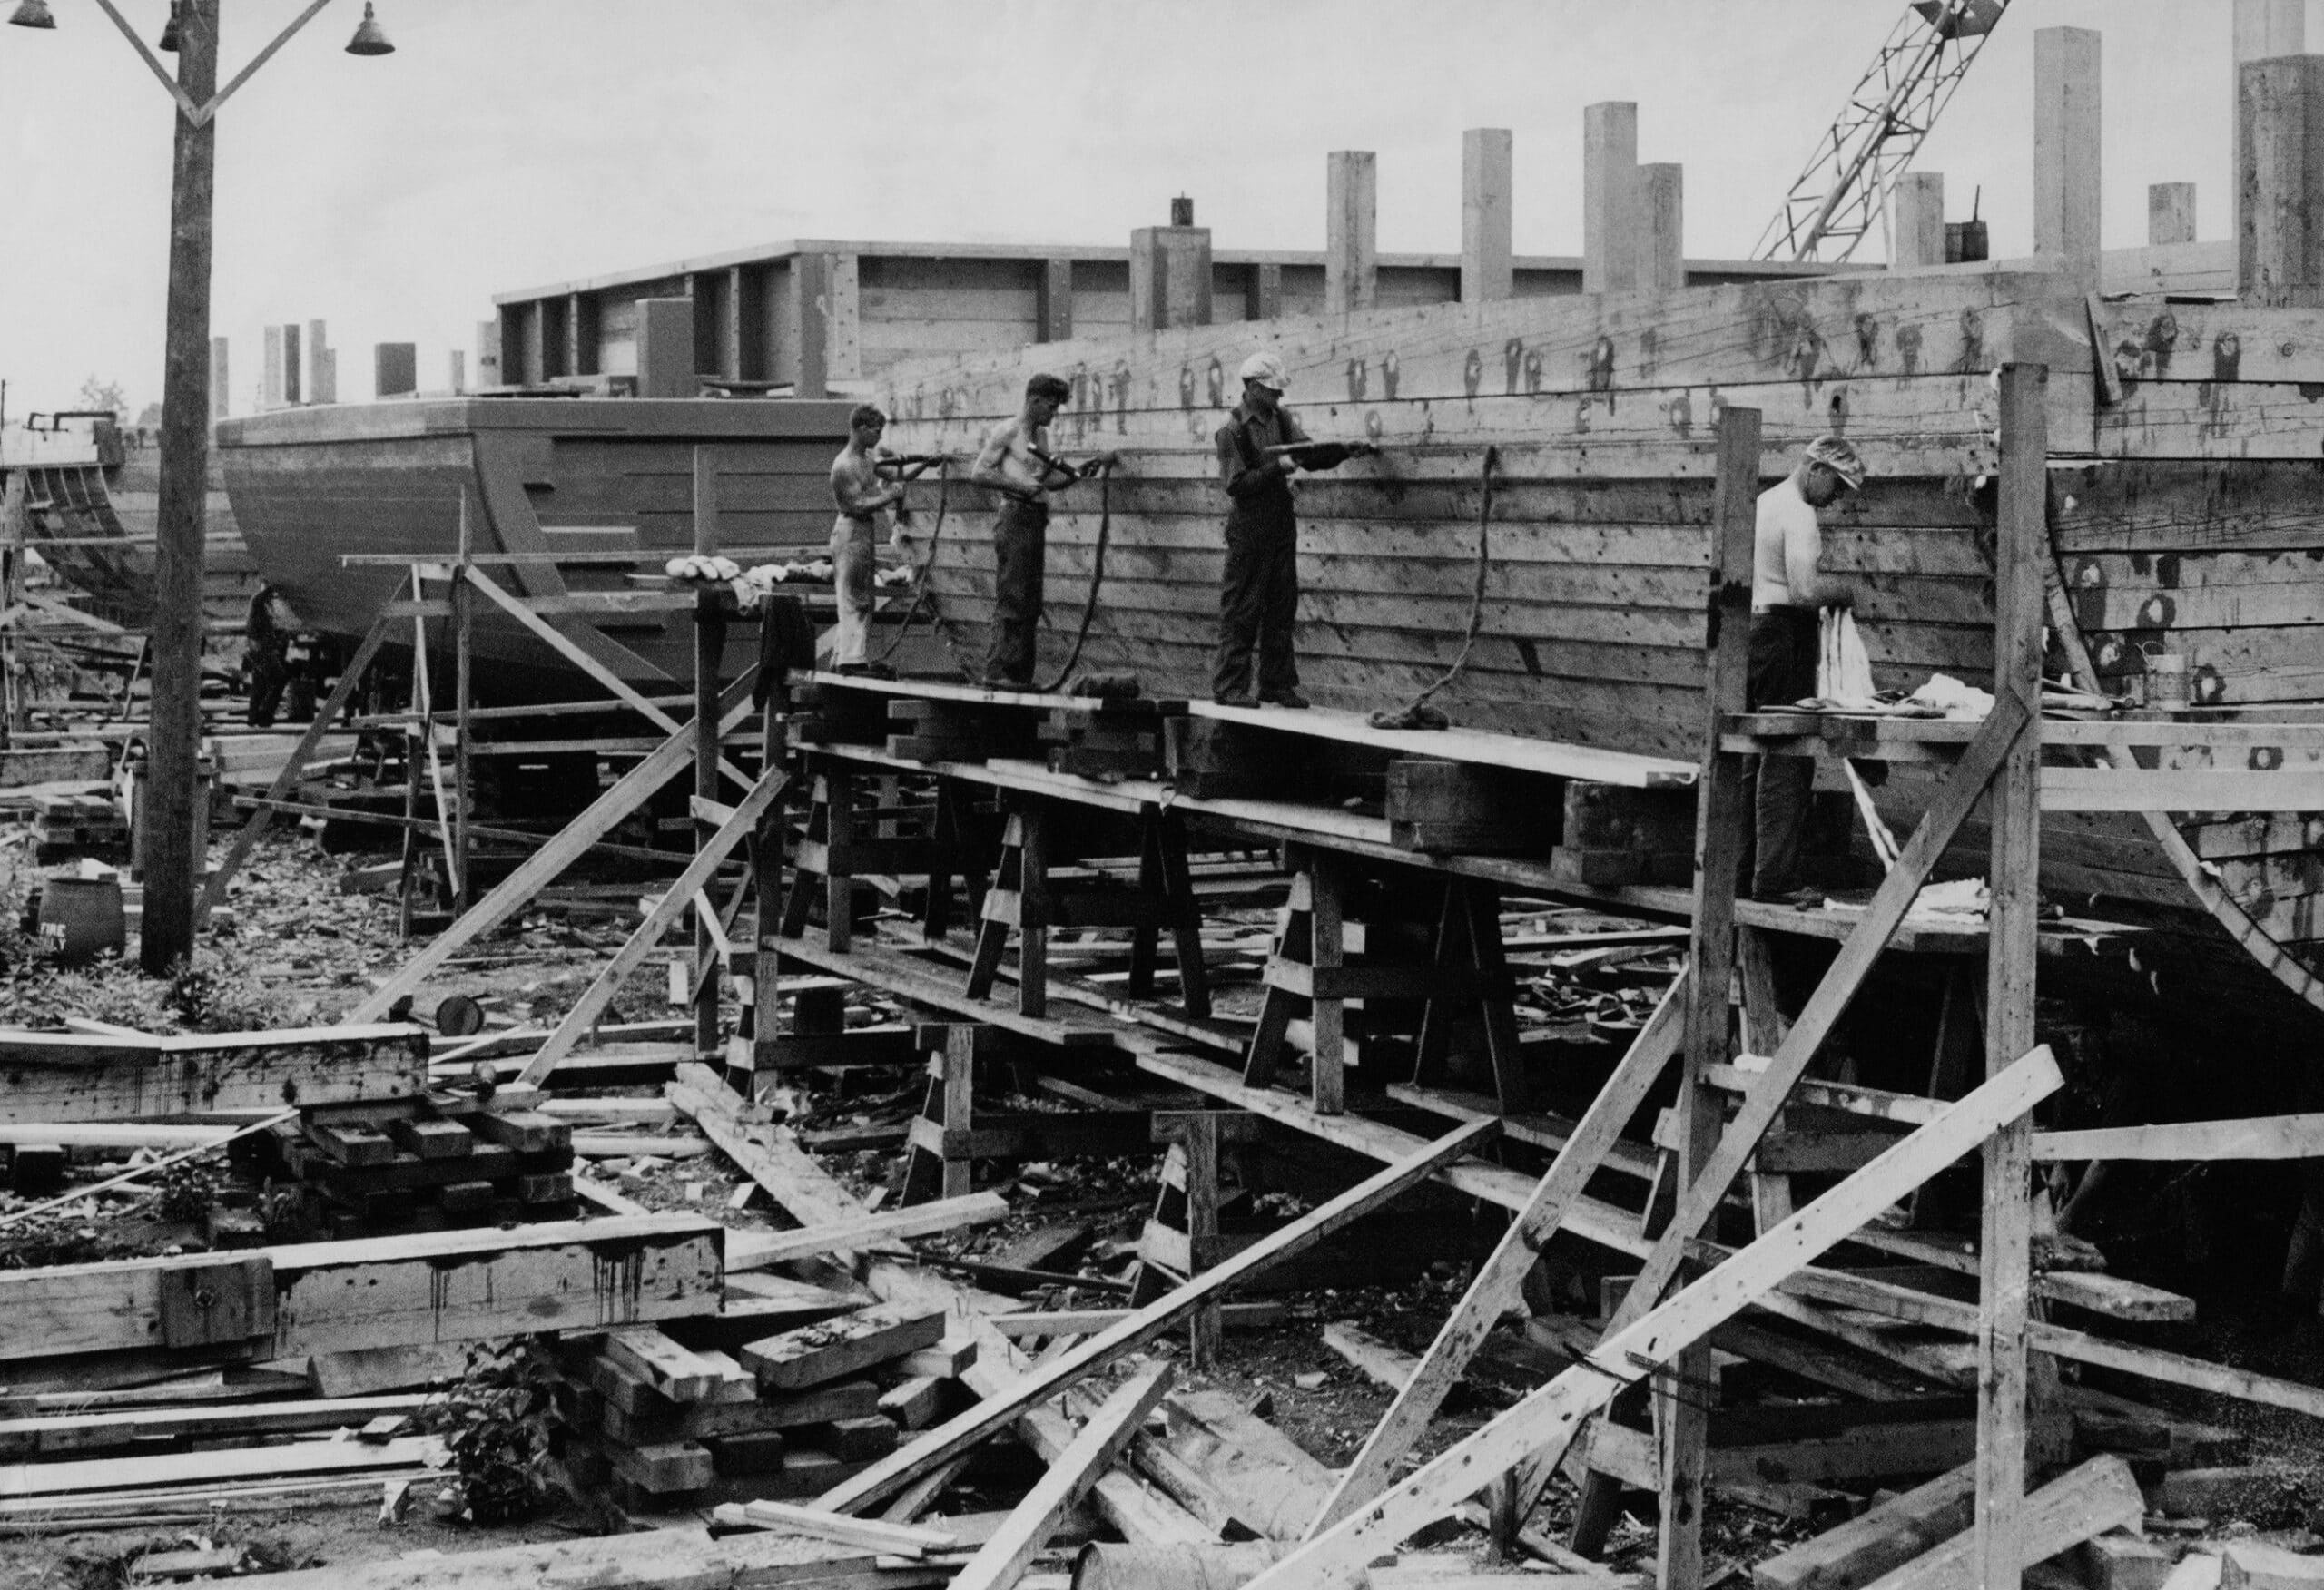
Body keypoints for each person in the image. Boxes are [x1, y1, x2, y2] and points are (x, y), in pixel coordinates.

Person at [1212, 349, 1370, 708]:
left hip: (1281, 524)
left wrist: (1344, 451)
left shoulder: (1280, 419)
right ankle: (1229, 688)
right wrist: (1277, 468)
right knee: (1242, 609)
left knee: (1282, 606)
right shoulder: (1230, 431)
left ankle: (1276, 685)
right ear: (1251, 388)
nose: (1279, 395)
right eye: (1271, 390)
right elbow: (1235, 485)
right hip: (1249, 528)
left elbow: (1307, 455)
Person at [1748, 434, 1865, 903]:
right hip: (1784, 636)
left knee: (1749, 751)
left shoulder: (1763, 502)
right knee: (1788, 756)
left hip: (1753, 635)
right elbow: (1802, 591)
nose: (1836, 499)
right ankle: (1775, 880)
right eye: (1837, 486)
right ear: (1816, 469)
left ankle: (1740, 872)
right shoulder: (1799, 513)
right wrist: (1844, 593)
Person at [970, 373, 1087, 687]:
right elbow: (980, 472)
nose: (1054, 413)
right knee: (1013, 593)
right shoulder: (1008, 431)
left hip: (1034, 518)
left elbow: (1045, 481)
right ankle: (999, 672)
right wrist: (1020, 485)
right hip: (1014, 515)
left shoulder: (1041, 438)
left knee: (1031, 599)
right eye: (1050, 406)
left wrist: (1082, 472)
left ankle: (1020, 674)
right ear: (1033, 400)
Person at [828, 404, 910, 673]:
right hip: (850, 529)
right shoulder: (844, 465)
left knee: (862, 596)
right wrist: (891, 496)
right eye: (877, 431)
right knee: (853, 596)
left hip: (863, 531)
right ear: (861, 429)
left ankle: (844, 655)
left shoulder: (869, 459)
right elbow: (857, 505)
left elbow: (898, 476)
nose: (880, 437)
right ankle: (850, 661)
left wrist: (916, 465)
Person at [242, 583, 296, 728]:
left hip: (259, 650)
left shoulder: (262, 607)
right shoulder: (257, 602)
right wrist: (276, 583)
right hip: (262, 651)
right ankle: (265, 713)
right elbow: (261, 597)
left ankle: (254, 717)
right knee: (279, 678)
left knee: (260, 684)